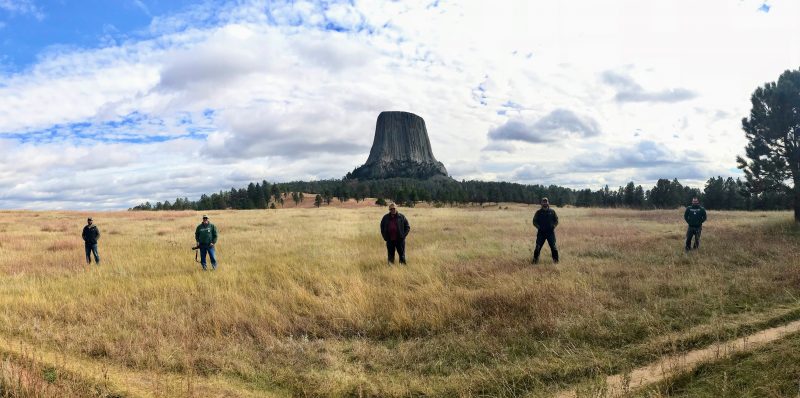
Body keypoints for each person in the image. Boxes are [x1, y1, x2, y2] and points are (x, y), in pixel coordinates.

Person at [532, 197, 559, 264]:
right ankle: (535, 262)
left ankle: (556, 262)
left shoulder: (552, 212)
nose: (545, 203)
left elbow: (556, 220)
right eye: (543, 202)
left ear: (548, 203)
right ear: (541, 203)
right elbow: (534, 221)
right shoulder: (538, 212)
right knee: (537, 247)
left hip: (550, 233)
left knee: (553, 247)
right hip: (541, 233)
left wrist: (553, 226)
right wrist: (539, 227)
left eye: (546, 202)